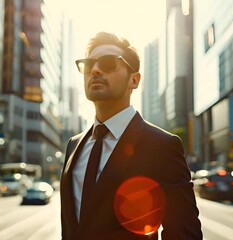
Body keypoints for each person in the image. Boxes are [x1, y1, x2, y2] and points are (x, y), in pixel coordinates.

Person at [60, 32, 202, 240]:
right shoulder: (74, 145)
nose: (96, 70)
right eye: (89, 65)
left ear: (134, 80)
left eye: (108, 63)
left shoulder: (162, 146)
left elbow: (184, 233)